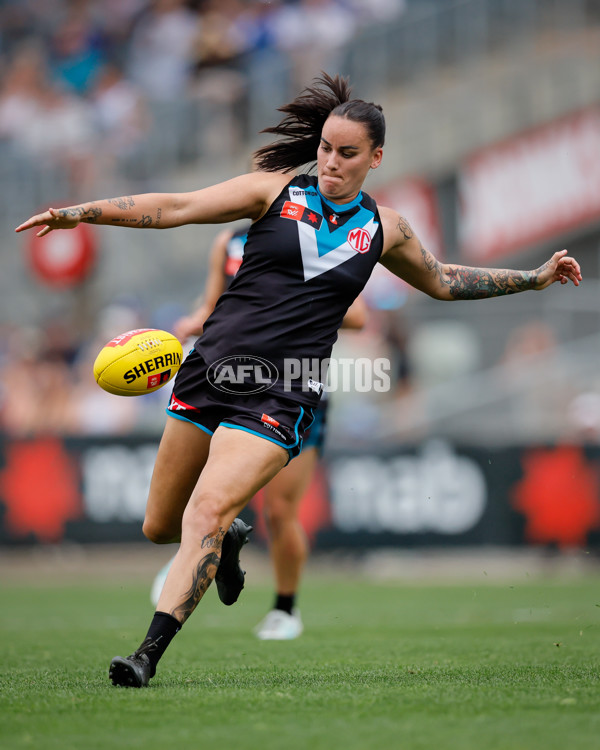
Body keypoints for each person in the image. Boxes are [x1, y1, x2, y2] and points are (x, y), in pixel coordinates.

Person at [15, 73, 582, 688]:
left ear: (376, 158)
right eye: (326, 148)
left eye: (348, 153)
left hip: (285, 391)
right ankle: (228, 538)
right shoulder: (273, 192)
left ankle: (146, 654)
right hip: (211, 372)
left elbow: (444, 280)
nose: (332, 162)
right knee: (160, 526)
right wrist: (83, 213)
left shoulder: (385, 229)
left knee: (204, 511)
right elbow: (176, 208)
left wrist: (534, 276)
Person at [150, 224, 367, 640]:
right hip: (226, 381)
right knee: (190, 503)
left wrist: (288, 310)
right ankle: (218, 541)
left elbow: (358, 315)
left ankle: (285, 609)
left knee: (279, 511)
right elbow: (214, 304)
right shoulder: (230, 241)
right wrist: (191, 323)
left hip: (290, 387)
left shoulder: (319, 240)